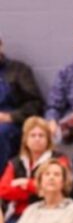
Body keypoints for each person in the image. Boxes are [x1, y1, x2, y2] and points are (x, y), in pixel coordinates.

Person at [0, 116, 58, 223]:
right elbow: (3, 190)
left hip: (47, 213)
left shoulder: (58, 160)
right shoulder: (15, 162)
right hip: (18, 215)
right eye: (33, 135)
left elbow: (57, 187)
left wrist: (26, 184)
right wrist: (33, 189)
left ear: (48, 139)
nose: (37, 139)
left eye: (41, 135)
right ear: (25, 139)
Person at [0, 36, 45, 173]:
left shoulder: (19, 70)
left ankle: (4, 179)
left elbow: (35, 103)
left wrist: (10, 117)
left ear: (1, 47)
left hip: (11, 123)